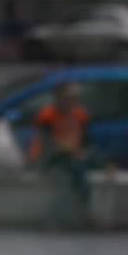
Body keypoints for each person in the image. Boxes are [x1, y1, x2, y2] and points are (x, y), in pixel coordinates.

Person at [29, 82, 93, 229]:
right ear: (57, 99)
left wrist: (83, 153)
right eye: (67, 98)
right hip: (48, 159)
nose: (71, 102)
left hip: (72, 159)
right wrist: (68, 152)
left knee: (82, 176)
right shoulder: (47, 116)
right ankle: (54, 220)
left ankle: (84, 216)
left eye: (74, 98)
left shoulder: (81, 115)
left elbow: (87, 141)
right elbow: (46, 144)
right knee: (66, 184)